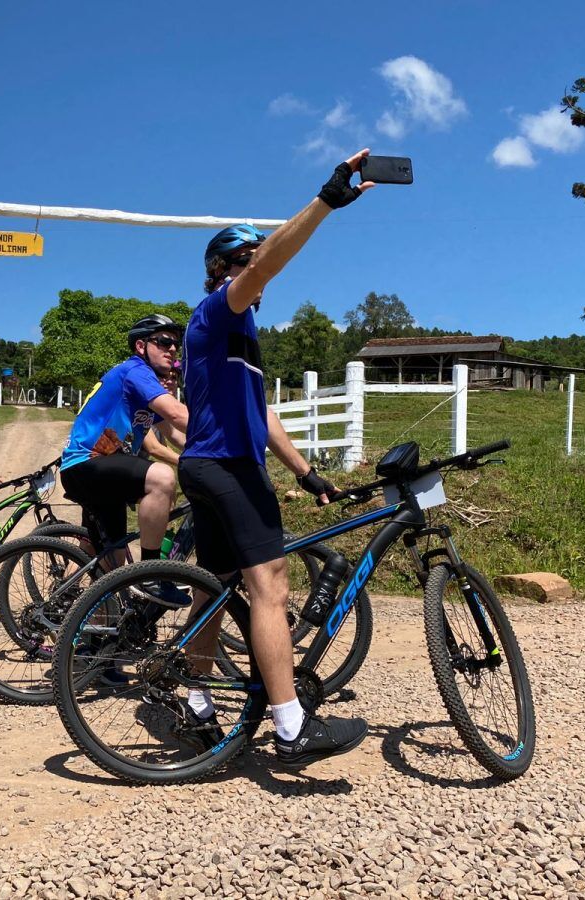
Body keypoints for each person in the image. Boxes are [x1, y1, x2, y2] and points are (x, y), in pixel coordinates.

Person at [177, 150, 374, 768]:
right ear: (222, 271)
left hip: (213, 465)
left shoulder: (240, 335)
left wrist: (304, 471)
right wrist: (327, 200)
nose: (256, 269)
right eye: (244, 260)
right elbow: (267, 262)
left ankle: (193, 695)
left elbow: (263, 417)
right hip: (226, 467)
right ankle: (291, 727)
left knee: (216, 588)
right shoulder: (216, 310)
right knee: (271, 585)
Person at [59, 314, 190, 606]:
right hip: (88, 462)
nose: (172, 349)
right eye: (164, 342)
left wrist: (204, 451)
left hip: (104, 471)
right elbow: (179, 415)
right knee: (162, 477)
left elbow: (176, 432)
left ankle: (94, 637)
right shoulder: (136, 371)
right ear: (141, 345)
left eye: (175, 344)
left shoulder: (144, 383)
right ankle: (153, 573)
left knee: (114, 574)